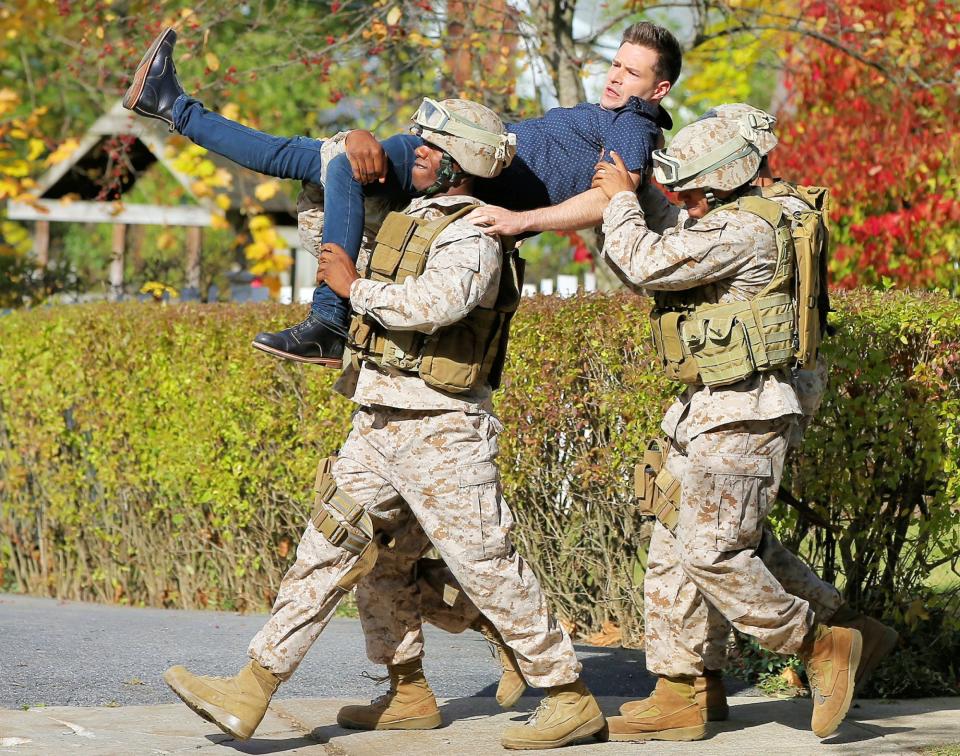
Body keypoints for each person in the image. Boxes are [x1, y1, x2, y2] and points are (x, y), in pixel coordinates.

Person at [161, 98, 606, 750]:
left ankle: (569, 697)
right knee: (332, 554)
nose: (416, 150)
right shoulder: (406, 221)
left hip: (443, 430)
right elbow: (323, 229)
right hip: (376, 420)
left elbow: (436, 303)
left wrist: (352, 289)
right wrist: (338, 160)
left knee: (488, 567)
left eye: (430, 145)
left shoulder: (476, 232)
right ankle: (296, 690)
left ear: (460, 162)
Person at [123, 22, 681, 366]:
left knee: (334, 164)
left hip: (452, 171)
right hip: (441, 149)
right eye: (614, 64)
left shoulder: (632, 126)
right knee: (305, 158)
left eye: (631, 74)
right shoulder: (608, 112)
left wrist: (521, 221)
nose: (614, 79)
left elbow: (612, 199)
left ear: (658, 90)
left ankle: (329, 321)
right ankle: (170, 103)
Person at [589, 106, 869, 742]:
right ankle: (684, 687)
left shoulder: (742, 230)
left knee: (713, 549)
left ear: (722, 184)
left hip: (744, 410)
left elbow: (644, 262)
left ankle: (820, 643)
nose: (685, 203)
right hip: (713, 405)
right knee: (674, 534)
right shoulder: (769, 210)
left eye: (691, 192)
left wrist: (619, 201)